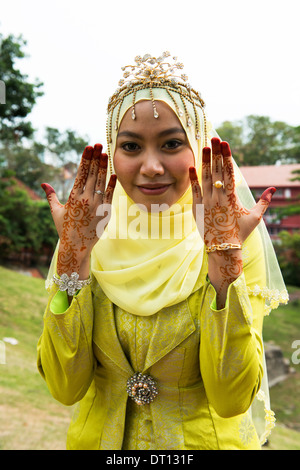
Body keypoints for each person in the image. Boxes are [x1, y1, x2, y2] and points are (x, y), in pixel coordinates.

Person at [37, 52, 288, 450]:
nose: (151, 166)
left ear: (201, 148)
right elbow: (64, 387)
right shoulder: (88, 231)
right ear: (112, 157)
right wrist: (76, 255)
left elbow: (231, 399)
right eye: (131, 146)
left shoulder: (232, 237)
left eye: (172, 143)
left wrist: (223, 262)